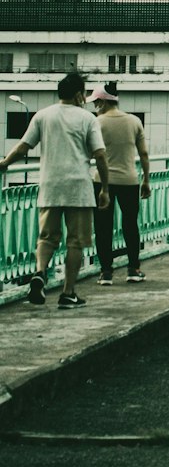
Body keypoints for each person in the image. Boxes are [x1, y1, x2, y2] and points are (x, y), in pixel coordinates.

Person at [0, 72, 110, 308]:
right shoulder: (87, 118)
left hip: (50, 185)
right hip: (78, 188)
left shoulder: (43, 116)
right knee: (75, 242)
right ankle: (68, 293)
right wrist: (105, 190)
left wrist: (5, 163)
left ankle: (40, 272)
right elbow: (100, 155)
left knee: (47, 237)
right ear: (79, 94)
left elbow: (23, 146)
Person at [89, 81, 151, 284]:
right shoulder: (134, 121)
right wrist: (146, 181)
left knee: (103, 227)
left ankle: (106, 272)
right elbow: (143, 153)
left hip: (102, 182)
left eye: (96, 102)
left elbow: (93, 152)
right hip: (129, 180)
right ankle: (133, 269)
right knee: (130, 225)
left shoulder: (97, 123)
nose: (95, 106)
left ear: (102, 102)